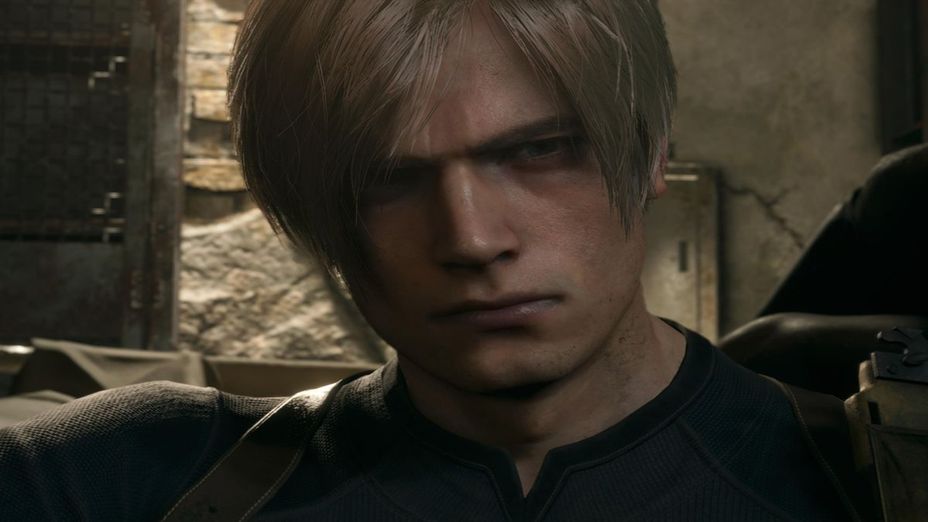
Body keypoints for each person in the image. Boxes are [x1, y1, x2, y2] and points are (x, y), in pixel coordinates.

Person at [0, 1, 865, 520]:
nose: (472, 239)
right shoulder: (129, 476)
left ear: (647, 156)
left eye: (538, 151)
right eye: (388, 179)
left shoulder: (874, 480)